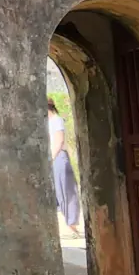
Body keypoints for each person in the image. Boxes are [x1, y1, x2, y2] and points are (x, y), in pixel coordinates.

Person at [49, 98, 80, 234]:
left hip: (58, 157)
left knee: (66, 189)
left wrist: (51, 158)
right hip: (52, 158)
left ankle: (72, 222)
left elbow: (59, 140)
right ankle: (68, 222)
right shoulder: (49, 122)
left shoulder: (57, 120)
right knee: (57, 189)